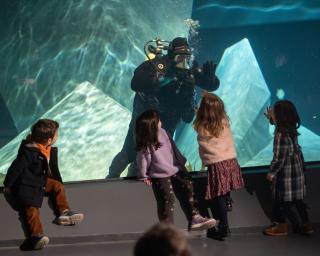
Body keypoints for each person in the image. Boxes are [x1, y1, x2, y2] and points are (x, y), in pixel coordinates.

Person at [107, 37, 220, 178]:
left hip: (168, 122)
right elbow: (136, 83)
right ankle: (111, 177)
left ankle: (135, 180)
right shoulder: (159, 66)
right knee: (130, 152)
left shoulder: (190, 71)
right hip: (146, 118)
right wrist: (158, 81)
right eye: (180, 57)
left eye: (187, 58)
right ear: (172, 56)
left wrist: (211, 79)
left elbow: (211, 85)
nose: (184, 62)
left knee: (153, 156)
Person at [3, 119, 84, 250]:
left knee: (57, 186)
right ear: (49, 140)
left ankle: (64, 212)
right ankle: (36, 236)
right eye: (57, 134)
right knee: (32, 210)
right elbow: (15, 168)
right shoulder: (28, 152)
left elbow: (49, 167)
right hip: (26, 186)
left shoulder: (46, 147)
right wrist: (8, 185)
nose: (58, 136)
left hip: (39, 181)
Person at [135, 109, 216, 231]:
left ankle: (195, 218)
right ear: (152, 125)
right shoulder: (147, 143)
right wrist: (144, 176)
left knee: (188, 188)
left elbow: (173, 148)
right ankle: (168, 230)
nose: (160, 122)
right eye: (158, 120)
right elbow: (142, 160)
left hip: (175, 169)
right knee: (168, 200)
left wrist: (181, 162)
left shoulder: (163, 132)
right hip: (159, 175)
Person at [193, 92, 244, 240]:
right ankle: (228, 200)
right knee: (224, 189)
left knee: (217, 196)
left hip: (217, 164)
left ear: (203, 111)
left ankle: (223, 227)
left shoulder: (202, 126)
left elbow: (199, 126)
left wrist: (200, 111)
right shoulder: (224, 121)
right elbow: (214, 111)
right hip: (231, 162)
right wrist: (208, 98)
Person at [263, 100, 313, 236]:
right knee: (298, 200)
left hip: (286, 174)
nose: (271, 112)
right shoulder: (291, 128)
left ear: (280, 115)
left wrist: (271, 173)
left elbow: (279, 157)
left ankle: (281, 226)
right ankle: (306, 224)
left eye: (274, 111)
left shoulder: (280, 135)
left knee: (280, 200)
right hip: (296, 169)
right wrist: (272, 121)